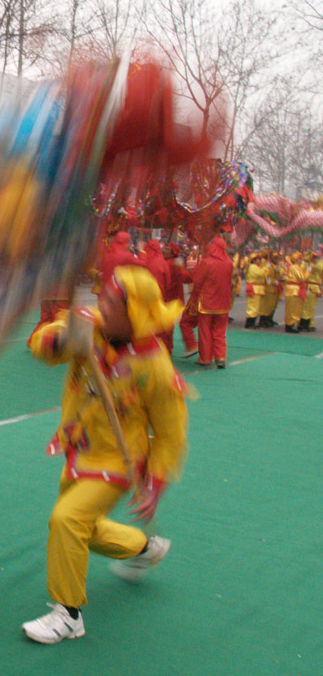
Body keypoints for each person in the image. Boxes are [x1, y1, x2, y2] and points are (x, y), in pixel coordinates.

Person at [23, 265, 188, 645]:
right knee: (84, 528)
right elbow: (41, 346)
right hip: (79, 449)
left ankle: (68, 615)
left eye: (112, 301)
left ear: (135, 312)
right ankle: (144, 548)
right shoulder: (89, 327)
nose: (101, 304)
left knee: (66, 520)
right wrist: (60, 338)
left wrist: (155, 484)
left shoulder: (156, 369)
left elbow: (170, 433)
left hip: (118, 462)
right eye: (102, 296)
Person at [191, 237, 234, 368]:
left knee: (205, 332)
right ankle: (220, 357)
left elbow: (198, 281)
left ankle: (205, 358)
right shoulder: (229, 262)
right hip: (223, 304)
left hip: (207, 303)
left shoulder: (207, 262)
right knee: (220, 332)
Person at [281, 252, 308, 334]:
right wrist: (308, 272)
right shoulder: (295, 267)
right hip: (293, 290)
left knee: (296, 308)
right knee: (292, 308)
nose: (301, 260)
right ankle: (289, 325)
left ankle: (291, 324)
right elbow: (301, 278)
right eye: (299, 259)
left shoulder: (297, 267)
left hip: (296, 289)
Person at [301, 249, 322, 332]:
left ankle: (308, 324)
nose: (315, 259)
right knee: (306, 307)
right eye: (314, 258)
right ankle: (303, 324)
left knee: (311, 307)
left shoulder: (312, 265)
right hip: (309, 287)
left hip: (314, 288)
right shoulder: (307, 265)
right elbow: (319, 268)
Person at [244, 251, 266, 329]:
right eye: (258, 259)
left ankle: (252, 322)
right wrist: (266, 268)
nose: (260, 260)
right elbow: (261, 274)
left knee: (256, 307)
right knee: (252, 306)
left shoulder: (257, 267)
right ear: (254, 260)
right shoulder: (253, 267)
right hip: (254, 288)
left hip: (257, 288)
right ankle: (249, 323)